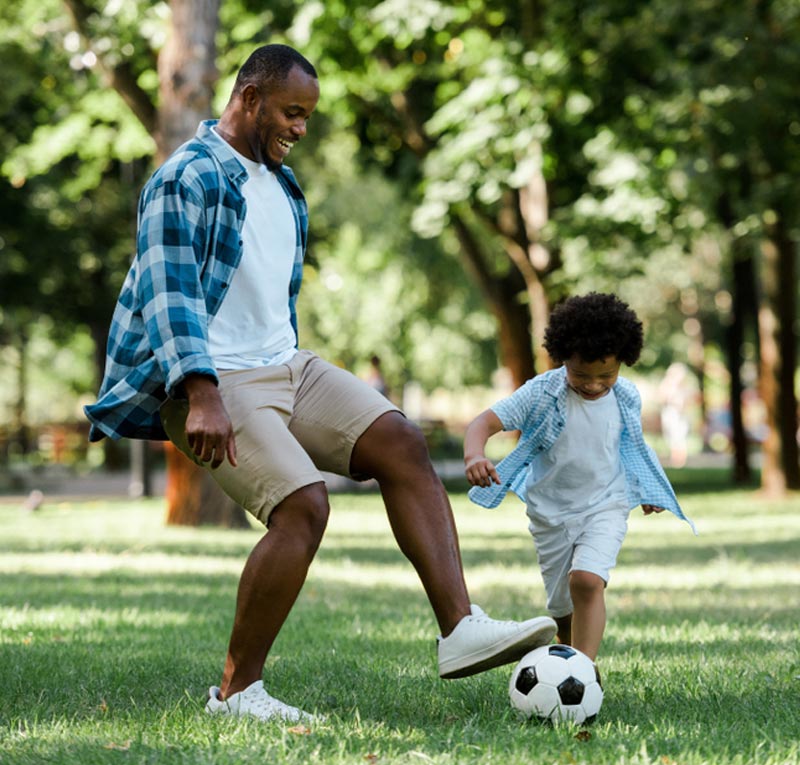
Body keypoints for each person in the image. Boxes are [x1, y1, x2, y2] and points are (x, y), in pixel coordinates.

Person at [84, 44, 556, 723]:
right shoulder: (185, 178)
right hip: (214, 380)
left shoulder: (281, 182)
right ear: (248, 98)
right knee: (304, 507)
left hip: (285, 364)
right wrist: (202, 392)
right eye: (291, 112)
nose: (300, 128)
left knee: (400, 441)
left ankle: (460, 630)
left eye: (306, 116)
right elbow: (170, 294)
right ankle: (236, 693)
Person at [464, 293, 695, 665]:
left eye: (606, 374)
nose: (593, 385)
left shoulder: (626, 396)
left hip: (606, 504)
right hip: (550, 514)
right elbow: (483, 423)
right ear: (563, 356)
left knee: (586, 581)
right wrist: (475, 454)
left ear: (623, 360)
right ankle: (567, 655)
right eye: (581, 374)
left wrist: (645, 488)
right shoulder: (541, 392)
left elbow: (631, 446)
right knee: (562, 608)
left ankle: (584, 671)